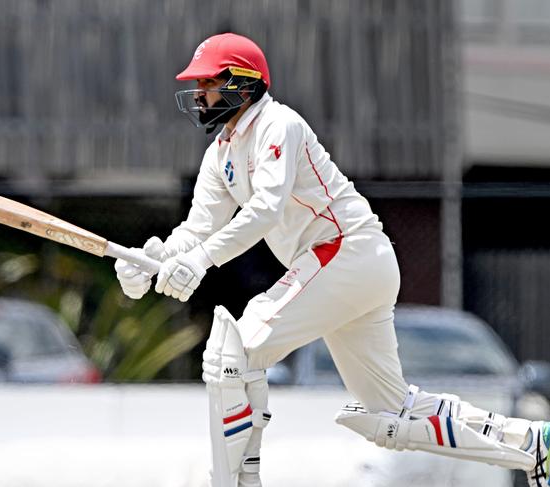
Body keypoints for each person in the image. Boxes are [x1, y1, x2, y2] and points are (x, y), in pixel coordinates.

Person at [114, 32, 549, 487]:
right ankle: (533, 444)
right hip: (352, 267)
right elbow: (198, 228)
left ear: (242, 83)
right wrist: (155, 257)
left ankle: (236, 482)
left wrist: (201, 260)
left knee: (234, 351)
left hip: (345, 251)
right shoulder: (220, 152)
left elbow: (265, 208)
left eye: (208, 83)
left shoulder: (277, 125)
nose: (199, 94)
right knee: (391, 413)